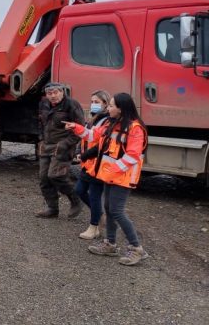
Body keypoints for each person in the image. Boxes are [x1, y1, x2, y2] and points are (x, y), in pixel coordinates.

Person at [64, 92, 149, 266]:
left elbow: (133, 155)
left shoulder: (135, 128)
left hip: (122, 178)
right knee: (110, 209)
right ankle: (110, 244)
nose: (108, 108)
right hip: (111, 176)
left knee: (116, 211)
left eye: (111, 106)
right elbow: (92, 135)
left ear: (121, 108)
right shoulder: (112, 124)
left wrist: (113, 169)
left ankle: (137, 248)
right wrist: (75, 127)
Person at [35, 82, 85, 218]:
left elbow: (80, 128)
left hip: (63, 146)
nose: (53, 96)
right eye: (49, 93)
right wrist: (40, 138)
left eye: (56, 92)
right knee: (44, 178)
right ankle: (52, 209)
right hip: (46, 145)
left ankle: (76, 199)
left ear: (62, 92)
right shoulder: (44, 104)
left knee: (56, 175)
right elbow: (40, 122)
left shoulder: (71, 105)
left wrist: (65, 144)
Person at [73, 90, 111, 239]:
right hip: (88, 163)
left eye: (97, 102)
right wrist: (79, 151)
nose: (93, 105)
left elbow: (99, 145)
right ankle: (99, 214)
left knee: (95, 196)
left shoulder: (107, 121)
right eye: (92, 101)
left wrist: (84, 155)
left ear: (105, 104)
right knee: (80, 190)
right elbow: (84, 137)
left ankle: (93, 227)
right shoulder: (92, 119)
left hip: (98, 164)